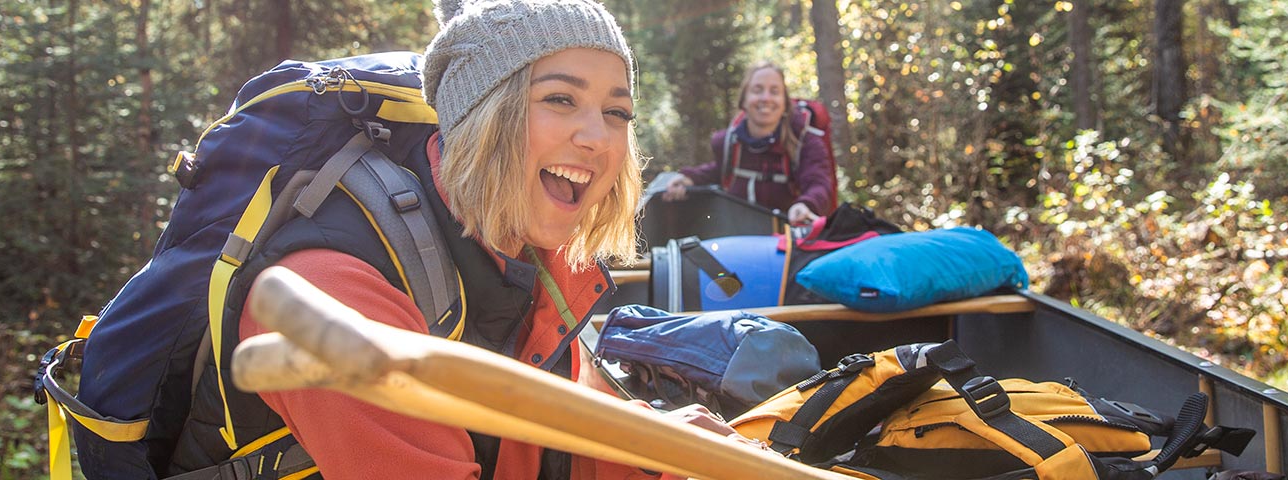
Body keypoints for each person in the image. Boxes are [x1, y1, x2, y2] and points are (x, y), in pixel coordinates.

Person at [230, 0, 708, 477]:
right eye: (560, 99)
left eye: (617, 112)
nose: (599, 138)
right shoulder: (332, 292)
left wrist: (664, 454)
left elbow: (564, 444)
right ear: (478, 115)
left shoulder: (537, 262)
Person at [658, 61, 835, 226]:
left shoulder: (805, 143)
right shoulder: (730, 144)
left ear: (785, 104)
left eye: (774, 91)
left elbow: (819, 183)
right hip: (738, 239)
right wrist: (691, 178)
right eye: (757, 90)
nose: (766, 98)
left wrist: (806, 205)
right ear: (744, 100)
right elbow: (721, 170)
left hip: (787, 243)